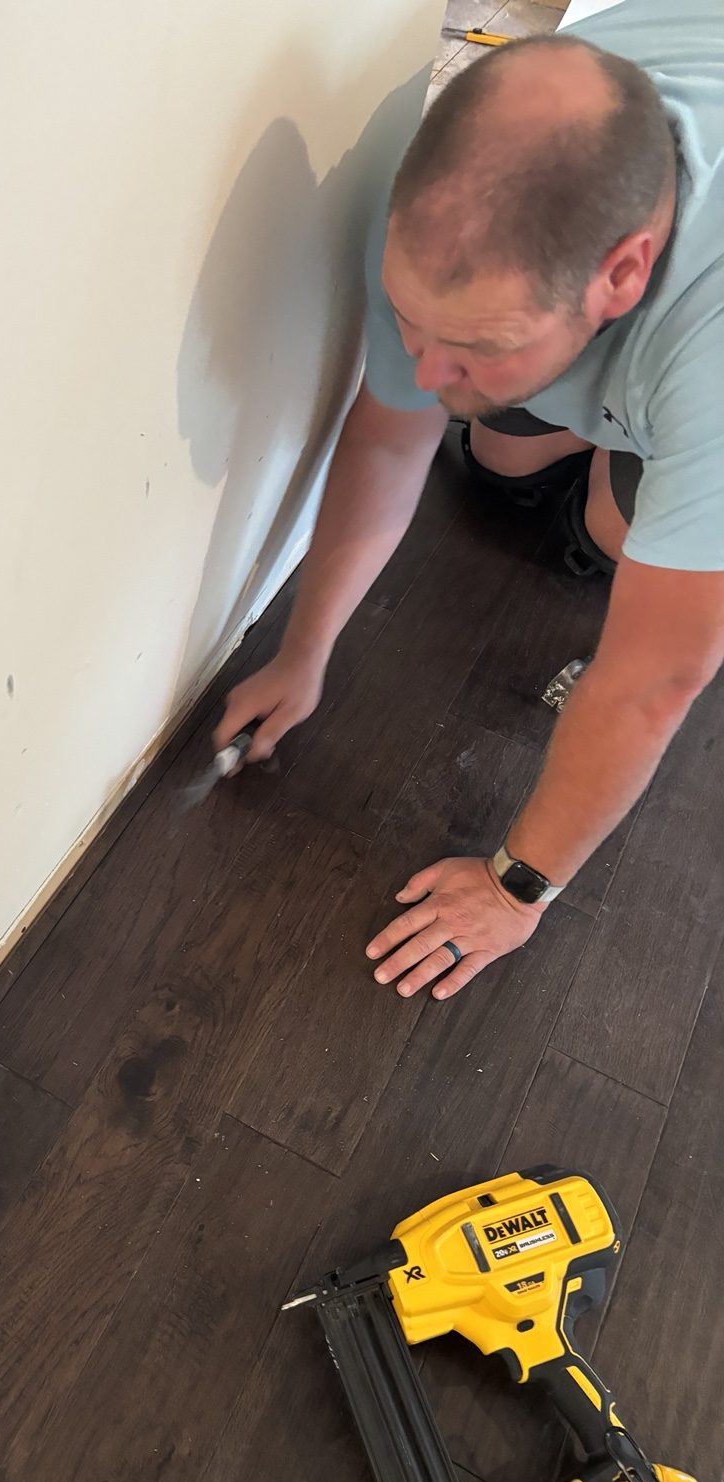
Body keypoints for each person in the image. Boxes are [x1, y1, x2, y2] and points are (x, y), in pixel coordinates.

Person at [214, 2, 724, 1002]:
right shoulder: (444, 210)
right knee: (492, 460)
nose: (427, 371)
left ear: (623, 275)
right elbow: (393, 433)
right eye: (411, 321)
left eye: (482, 343)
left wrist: (518, 888)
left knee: (626, 536)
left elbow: (655, 681)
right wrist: (303, 653)